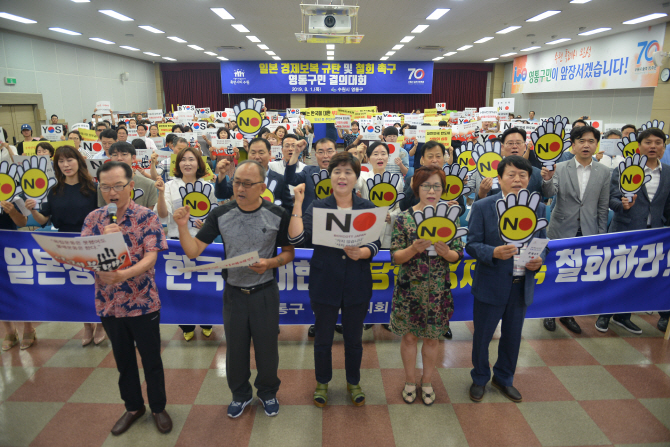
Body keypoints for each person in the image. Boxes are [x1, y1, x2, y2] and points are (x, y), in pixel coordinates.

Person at [175, 159, 295, 418]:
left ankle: (267, 393)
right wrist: (183, 227)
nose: (240, 188)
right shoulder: (220, 214)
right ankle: (240, 395)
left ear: (262, 187)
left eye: (247, 184)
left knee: (267, 349)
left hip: (265, 292)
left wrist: (271, 262)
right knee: (236, 350)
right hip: (233, 293)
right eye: (236, 182)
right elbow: (194, 251)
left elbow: (288, 253)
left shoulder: (277, 214)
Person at [81, 161, 172, 435]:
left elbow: (151, 257)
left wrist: (124, 275)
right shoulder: (93, 220)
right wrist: (102, 245)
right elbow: (83, 258)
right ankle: (133, 406)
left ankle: (158, 407)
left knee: (151, 360)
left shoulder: (147, 217)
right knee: (123, 360)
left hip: (143, 301)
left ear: (131, 186)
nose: (112, 192)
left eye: (118, 186)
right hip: (108, 303)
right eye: (106, 186)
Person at [288, 152, 380, 408]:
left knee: (353, 340)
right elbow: (296, 240)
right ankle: (322, 382)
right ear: (330, 177)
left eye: (348, 172)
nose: (342, 176)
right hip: (324, 282)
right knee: (323, 339)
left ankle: (353, 381)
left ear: (356, 178)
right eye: (337, 171)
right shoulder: (317, 206)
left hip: (357, 283)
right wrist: (298, 203)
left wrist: (362, 252)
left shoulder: (367, 207)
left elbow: (376, 243)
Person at [467, 156, 548, 403]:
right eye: (511, 175)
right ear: (499, 179)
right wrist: (492, 252)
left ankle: (503, 378)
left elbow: (542, 243)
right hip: (491, 283)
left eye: (522, 175)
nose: (517, 180)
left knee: (512, 338)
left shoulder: (539, 208)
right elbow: (471, 245)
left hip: (521, 284)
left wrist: (539, 259)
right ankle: (479, 377)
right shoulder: (483, 207)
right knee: (482, 337)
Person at [390, 166, 464, 405]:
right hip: (409, 289)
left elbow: (458, 255)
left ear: (443, 189)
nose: (431, 191)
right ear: (416, 188)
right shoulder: (404, 218)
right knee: (410, 338)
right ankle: (410, 381)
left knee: (432, 338)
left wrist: (447, 252)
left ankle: (428, 381)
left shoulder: (451, 217)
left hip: (437, 290)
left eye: (436, 186)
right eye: (425, 186)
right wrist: (413, 249)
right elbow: (395, 257)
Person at [26, 145, 102, 346]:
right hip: (65, 242)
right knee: (77, 287)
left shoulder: (94, 188)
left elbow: (103, 216)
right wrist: (33, 210)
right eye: (61, 161)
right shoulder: (54, 190)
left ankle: (101, 322)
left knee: (98, 284)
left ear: (79, 161)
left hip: (91, 241)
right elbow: (43, 220)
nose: (66, 165)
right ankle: (87, 325)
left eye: (69, 160)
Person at [597, 127, 670, 333]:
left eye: (658, 142)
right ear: (639, 147)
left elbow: (667, 206)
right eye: (648, 142)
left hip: (652, 234)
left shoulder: (668, 173)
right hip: (625, 230)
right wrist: (623, 205)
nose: (653, 146)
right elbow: (611, 199)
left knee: (637, 277)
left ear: (664, 147)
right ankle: (604, 315)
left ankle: (624, 316)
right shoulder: (624, 169)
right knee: (616, 275)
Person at [541, 125, 610, 334]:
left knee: (575, 275)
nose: (586, 145)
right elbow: (549, 193)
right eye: (581, 141)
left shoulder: (605, 172)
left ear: (596, 144)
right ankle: (548, 313)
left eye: (590, 141)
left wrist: (600, 236)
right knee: (555, 273)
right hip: (561, 228)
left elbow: (602, 206)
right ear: (573, 145)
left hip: (588, 230)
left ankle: (567, 314)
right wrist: (546, 178)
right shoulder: (561, 168)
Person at [155, 146, 216, 341]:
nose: (187, 163)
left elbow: (214, 214)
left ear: (199, 163)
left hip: (203, 241)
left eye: (191, 159)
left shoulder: (208, 186)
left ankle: (207, 321)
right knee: (181, 286)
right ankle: (186, 325)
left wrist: (207, 224)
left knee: (204, 285)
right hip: (176, 241)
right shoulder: (170, 185)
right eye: (183, 159)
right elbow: (163, 215)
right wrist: (161, 193)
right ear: (177, 163)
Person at [215, 138, 293, 211]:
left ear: (269, 153)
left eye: (261, 153)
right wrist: (222, 174)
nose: (256, 157)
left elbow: (288, 209)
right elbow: (222, 194)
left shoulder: (280, 180)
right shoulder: (240, 175)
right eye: (253, 153)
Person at [470, 129, 543, 200]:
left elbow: (548, 194)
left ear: (525, 147)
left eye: (518, 143)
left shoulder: (537, 173)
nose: (514, 146)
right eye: (510, 143)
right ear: (502, 147)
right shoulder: (490, 172)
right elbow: (481, 204)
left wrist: (548, 179)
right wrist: (482, 192)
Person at [359, 141, 404, 248]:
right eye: (375, 154)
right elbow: (353, 181)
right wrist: (359, 158)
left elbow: (399, 207)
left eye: (383, 154)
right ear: (368, 159)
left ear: (388, 157)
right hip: (366, 227)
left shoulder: (396, 179)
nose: (380, 157)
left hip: (387, 230)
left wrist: (391, 216)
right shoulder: (363, 176)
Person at [1, 194, 30, 351]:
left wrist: (11, 211)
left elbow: (23, 221)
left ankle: (28, 328)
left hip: (9, 244)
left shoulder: (11, 185)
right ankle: (9, 332)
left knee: (18, 287)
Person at [100, 142, 158, 210]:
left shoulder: (149, 184)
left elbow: (151, 215)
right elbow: (101, 211)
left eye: (124, 154)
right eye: (115, 155)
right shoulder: (103, 185)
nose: (119, 158)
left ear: (133, 158)